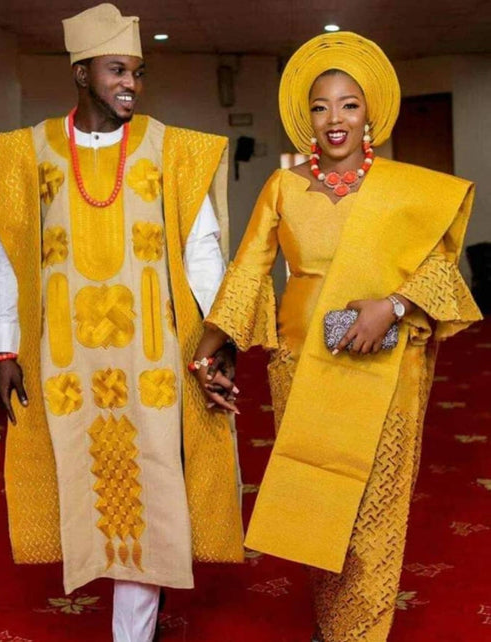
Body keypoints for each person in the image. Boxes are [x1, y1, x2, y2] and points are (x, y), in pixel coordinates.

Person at [194, 32, 482, 641]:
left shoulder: (406, 189)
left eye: (349, 104)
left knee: (375, 509)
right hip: (301, 363)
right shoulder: (283, 187)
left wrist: (393, 307)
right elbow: (248, 270)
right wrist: (210, 344)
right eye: (321, 107)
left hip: (387, 364)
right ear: (307, 118)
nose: (335, 119)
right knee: (319, 504)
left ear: (369, 111)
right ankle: (331, 623)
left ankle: (361, 633)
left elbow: (440, 271)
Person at [0, 4, 243, 641]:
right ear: (80, 73)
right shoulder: (30, 153)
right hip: (67, 363)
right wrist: (5, 349)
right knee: (85, 485)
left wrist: (219, 333)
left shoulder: (170, 150)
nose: (131, 84)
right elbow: (7, 255)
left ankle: (132, 631)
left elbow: (202, 250)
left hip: (153, 360)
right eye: (117, 70)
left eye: (138, 73)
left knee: (151, 487)